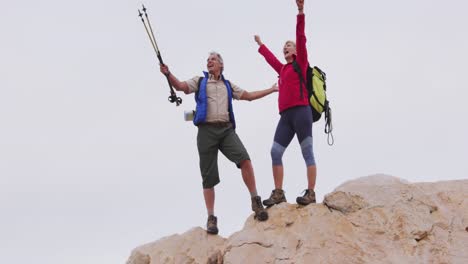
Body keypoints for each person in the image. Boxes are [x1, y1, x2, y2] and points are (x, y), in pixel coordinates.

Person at [159, 52, 278, 234]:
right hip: (206, 131)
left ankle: (256, 201)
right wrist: (168, 74)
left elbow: (249, 96)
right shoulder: (200, 81)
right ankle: (211, 217)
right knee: (208, 176)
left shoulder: (227, 85)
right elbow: (181, 87)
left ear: (221, 65)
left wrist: (271, 89)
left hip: (226, 130)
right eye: (207, 60)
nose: (209, 62)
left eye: (213, 59)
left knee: (244, 159)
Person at [254, 0, 317, 207]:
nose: (285, 48)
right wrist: (261, 46)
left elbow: (301, 37)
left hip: (301, 112)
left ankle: (311, 193)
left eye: (288, 46)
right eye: (284, 47)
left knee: (307, 152)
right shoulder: (283, 69)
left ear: (296, 51)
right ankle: (279, 192)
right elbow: (272, 59)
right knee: (275, 152)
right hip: (286, 117)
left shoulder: (301, 62)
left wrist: (300, 12)